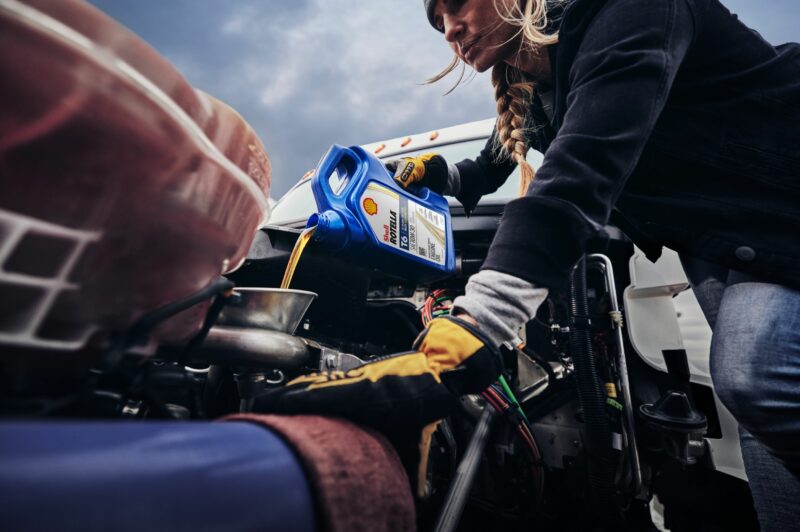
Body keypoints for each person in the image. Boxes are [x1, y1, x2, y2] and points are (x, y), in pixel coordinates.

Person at [382, 0, 800, 529]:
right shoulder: (533, 88)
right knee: (764, 417)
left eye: (456, 5)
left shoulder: (629, 11)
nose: (448, 30)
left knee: (755, 375)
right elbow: (485, 169)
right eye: (436, 21)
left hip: (785, 204)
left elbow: (579, 170)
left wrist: (477, 326)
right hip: (730, 243)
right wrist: (433, 173)